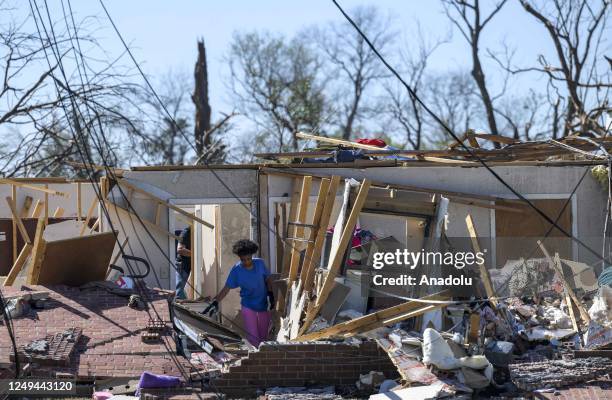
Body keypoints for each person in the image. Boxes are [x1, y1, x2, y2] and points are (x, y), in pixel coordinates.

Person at [204, 239, 274, 347]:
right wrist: (215, 301)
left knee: (263, 337)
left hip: (263, 305)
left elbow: (268, 279)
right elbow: (227, 288)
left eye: (248, 259)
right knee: (253, 338)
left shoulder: (260, 263)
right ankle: (254, 361)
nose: (246, 262)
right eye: (243, 260)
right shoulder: (236, 270)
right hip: (248, 305)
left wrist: (271, 294)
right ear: (239, 258)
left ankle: (263, 360)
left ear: (252, 256)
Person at [175, 225, 191, 300]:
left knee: (186, 294)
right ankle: (179, 311)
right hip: (183, 267)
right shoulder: (187, 232)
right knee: (180, 293)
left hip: (189, 267)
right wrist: (195, 254)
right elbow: (180, 249)